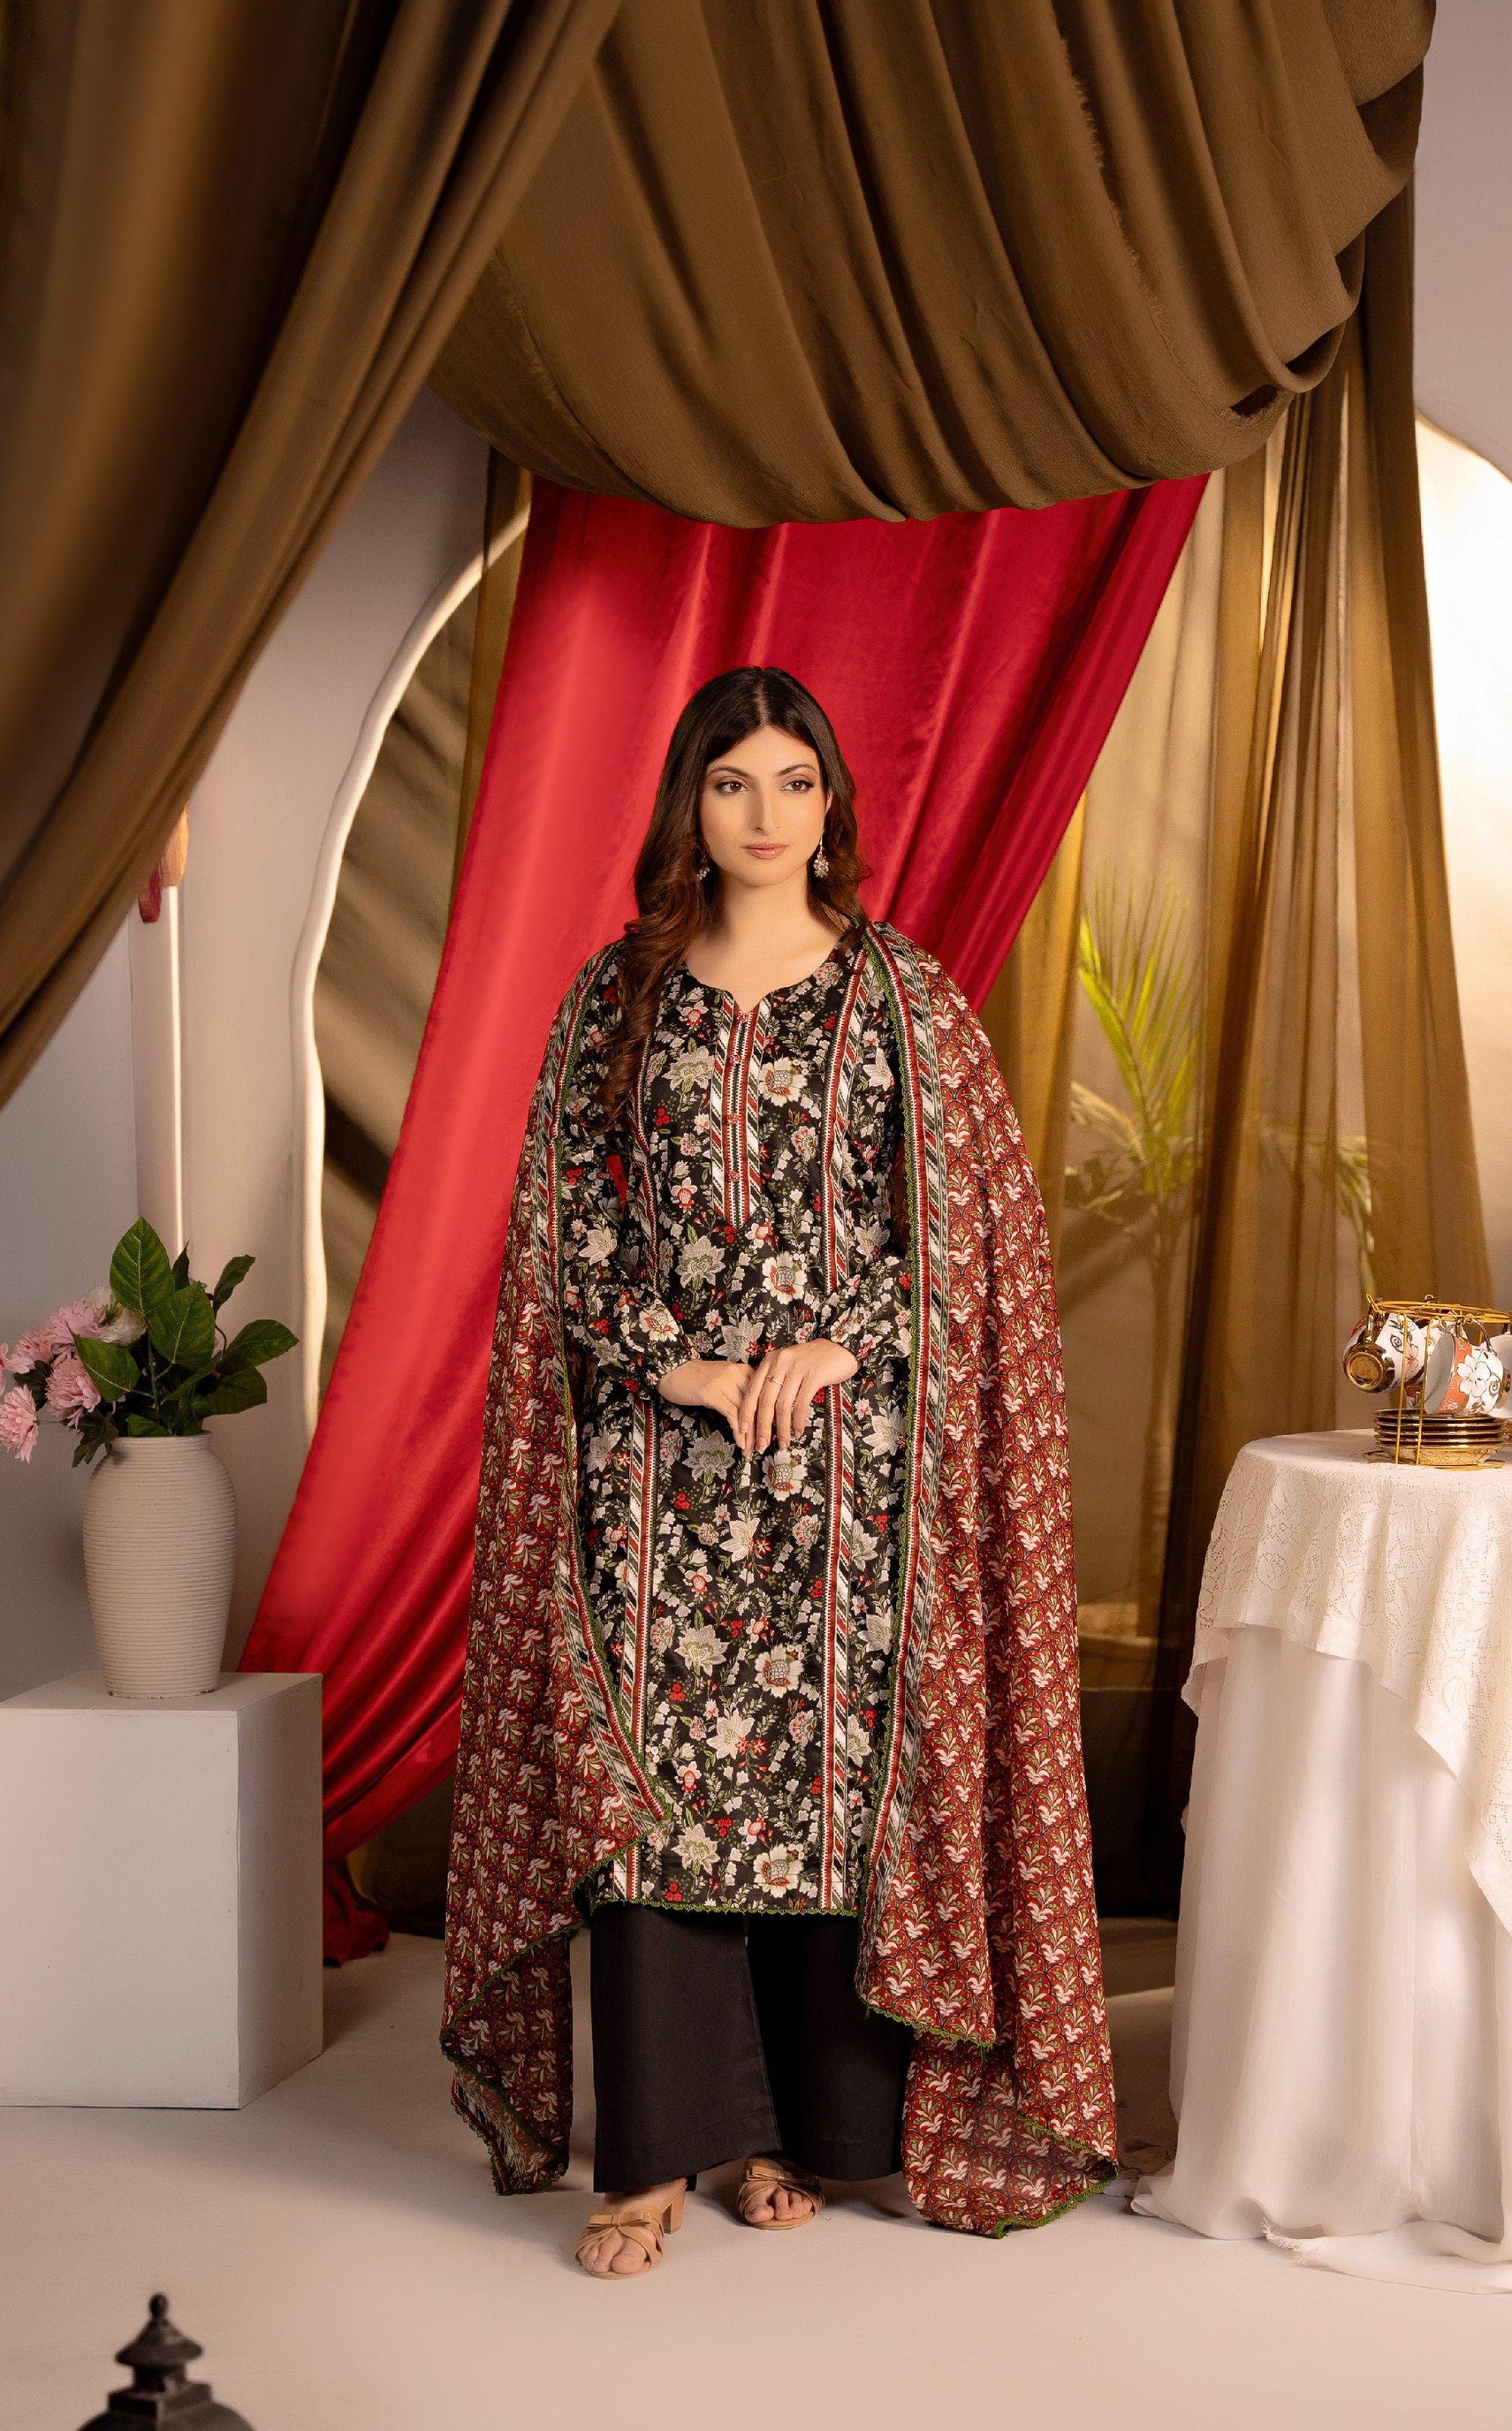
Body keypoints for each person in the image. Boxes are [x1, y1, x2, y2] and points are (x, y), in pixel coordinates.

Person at [443, 665, 1115, 2275]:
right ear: (688, 800)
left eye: (792, 781)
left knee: (822, 1795)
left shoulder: (903, 999)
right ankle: (658, 2155)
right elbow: (566, 1225)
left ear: (832, 805)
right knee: (646, 1790)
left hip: (845, 1469)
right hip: (655, 1463)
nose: (762, 814)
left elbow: (958, 1231)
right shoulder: (615, 998)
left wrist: (840, 1342)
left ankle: (794, 2134)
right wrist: (671, 1360)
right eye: (730, 781)